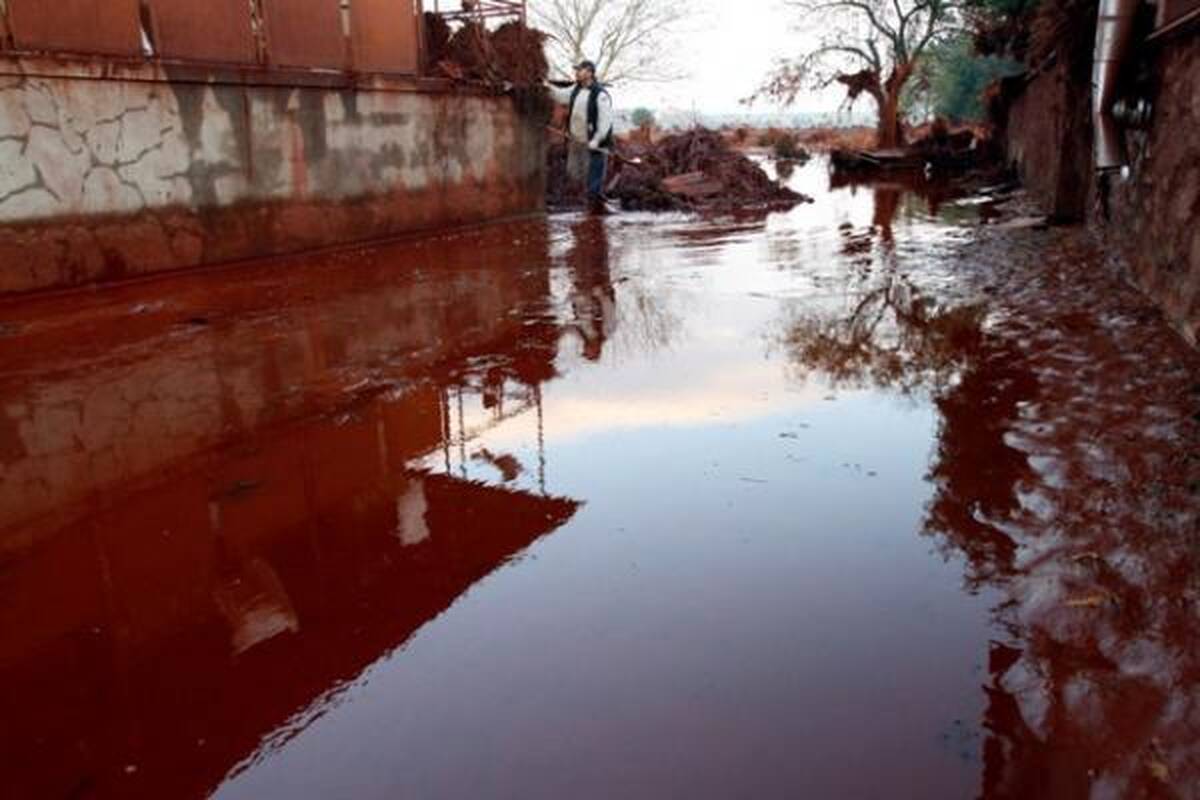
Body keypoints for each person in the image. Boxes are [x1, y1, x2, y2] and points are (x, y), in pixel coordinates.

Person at [548, 60, 615, 214]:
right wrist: (547, 87)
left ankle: (594, 206)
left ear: (590, 73)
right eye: (576, 70)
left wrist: (597, 140)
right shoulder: (576, 89)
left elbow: (605, 121)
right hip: (576, 140)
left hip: (594, 143)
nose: (576, 73)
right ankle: (583, 204)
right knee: (573, 172)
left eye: (580, 70)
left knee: (592, 175)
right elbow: (560, 96)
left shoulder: (600, 94)